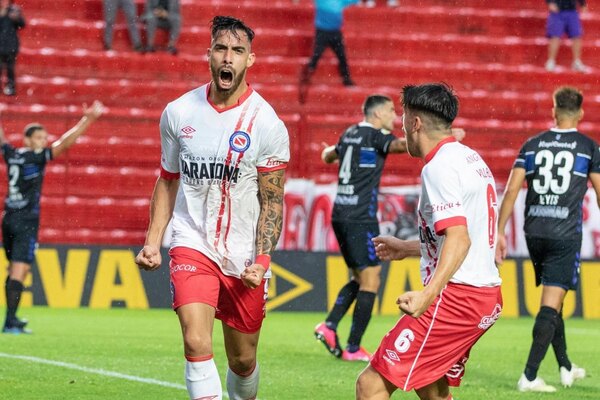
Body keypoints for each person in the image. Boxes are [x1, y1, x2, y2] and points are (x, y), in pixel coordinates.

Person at [135, 16, 289, 400]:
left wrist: (263, 261)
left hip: (243, 256)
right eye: (221, 48)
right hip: (192, 242)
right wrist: (154, 241)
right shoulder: (179, 112)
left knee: (242, 360)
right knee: (196, 339)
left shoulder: (267, 124)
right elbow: (168, 179)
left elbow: (272, 200)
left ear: (250, 60)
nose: (228, 57)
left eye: (237, 51)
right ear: (209, 54)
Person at [355, 83, 503, 400]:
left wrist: (426, 295)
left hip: (457, 299)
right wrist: (408, 248)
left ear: (416, 123)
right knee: (431, 388)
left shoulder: (438, 168)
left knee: (371, 386)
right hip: (484, 296)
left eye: (404, 119)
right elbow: (468, 238)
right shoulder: (469, 158)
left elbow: (460, 239)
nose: (401, 127)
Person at [496, 86, 599, 392]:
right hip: (564, 234)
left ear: (553, 111)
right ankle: (529, 376)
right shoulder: (587, 147)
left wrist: (500, 231)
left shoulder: (532, 144)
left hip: (535, 232)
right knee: (550, 306)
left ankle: (566, 366)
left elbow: (512, 189)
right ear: (580, 113)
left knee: (555, 301)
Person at [315, 95, 409, 362]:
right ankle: (354, 348)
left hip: (340, 214)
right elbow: (402, 146)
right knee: (372, 279)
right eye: (392, 111)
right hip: (361, 218)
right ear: (378, 114)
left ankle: (329, 326)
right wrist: (435, 137)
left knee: (359, 278)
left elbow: (328, 155)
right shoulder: (376, 136)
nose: (395, 116)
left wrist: (327, 152)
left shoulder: (349, 133)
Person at [1, 101, 104, 334]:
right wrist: (87, 120)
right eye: (38, 138)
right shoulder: (37, 158)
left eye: (43, 138)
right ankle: (9, 322)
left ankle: (12, 318)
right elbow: (64, 144)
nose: (43, 142)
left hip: (8, 218)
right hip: (26, 221)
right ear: (27, 139)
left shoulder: (12, 155)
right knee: (20, 270)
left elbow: (2, 140)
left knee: (14, 270)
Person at [300, 0, 358, 103]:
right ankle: (307, 75)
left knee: (342, 57)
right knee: (316, 57)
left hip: (335, 32)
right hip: (323, 32)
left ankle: (346, 79)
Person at [544, 0, 587, 72]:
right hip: (557, 10)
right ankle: (551, 60)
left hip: (572, 10)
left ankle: (577, 61)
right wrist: (549, 3)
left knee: (577, 36)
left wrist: (582, 3)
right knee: (555, 36)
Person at [0, 0, 25, 96]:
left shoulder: (14, 10)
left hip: (11, 45)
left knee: (10, 68)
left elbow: (22, 24)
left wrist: (16, 18)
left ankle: (11, 87)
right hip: (1, 44)